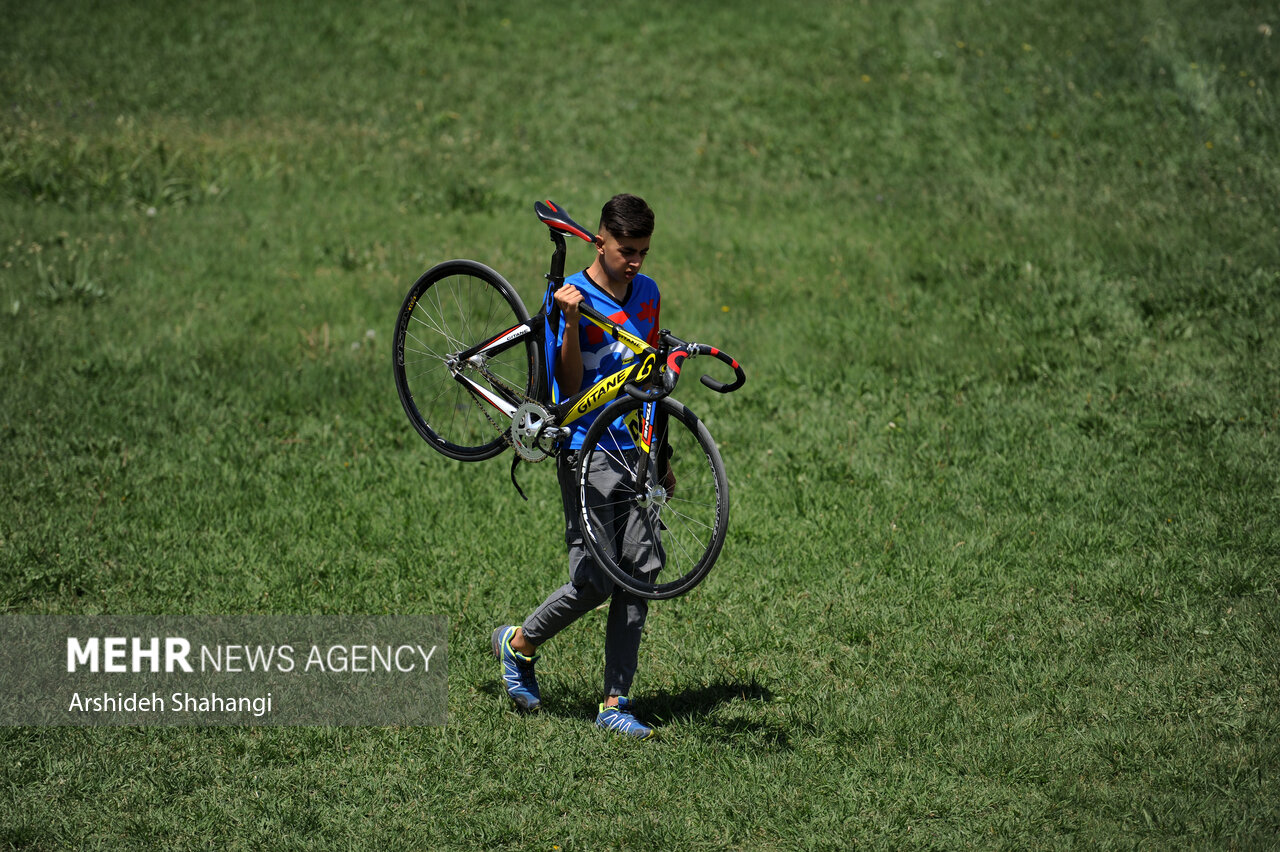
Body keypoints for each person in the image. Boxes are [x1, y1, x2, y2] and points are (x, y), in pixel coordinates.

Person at [492, 194, 662, 740]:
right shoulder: (572, 295)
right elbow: (564, 385)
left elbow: (649, 377)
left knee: (641, 569)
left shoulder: (649, 294)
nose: (634, 262)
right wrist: (566, 322)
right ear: (600, 240)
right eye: (625, 250)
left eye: (642, 251)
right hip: (585, 446)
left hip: (634, 448)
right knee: (594, 581)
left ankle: (615, 702)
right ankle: (519, 645)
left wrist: (660, 455)